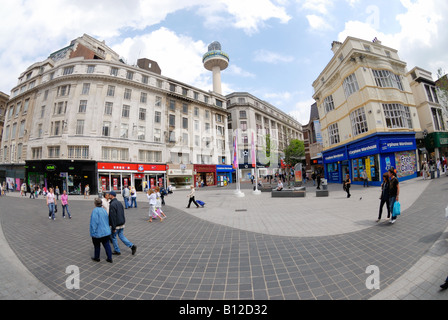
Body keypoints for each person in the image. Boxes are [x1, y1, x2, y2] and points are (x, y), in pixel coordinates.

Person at [108, 191, 137, 255]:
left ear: (112, 195)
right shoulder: (119, 203)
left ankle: (117, 250)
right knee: (121, 236)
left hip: (116, 224)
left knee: (114, 237)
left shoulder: (112, 204)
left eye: (109, 195)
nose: (108, 196)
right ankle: (131, 246)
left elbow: (112, 217)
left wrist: (113, 227)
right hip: (121, 222)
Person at [90, 198, 113, 263]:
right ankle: (109, 258)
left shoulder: (95, 211)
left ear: (95, 204)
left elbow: (94, 222)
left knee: (97, 245)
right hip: (106, 231)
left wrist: (93, 231)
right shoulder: (104, 210)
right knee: (106, 245)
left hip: (98, 232)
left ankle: (97, 257)